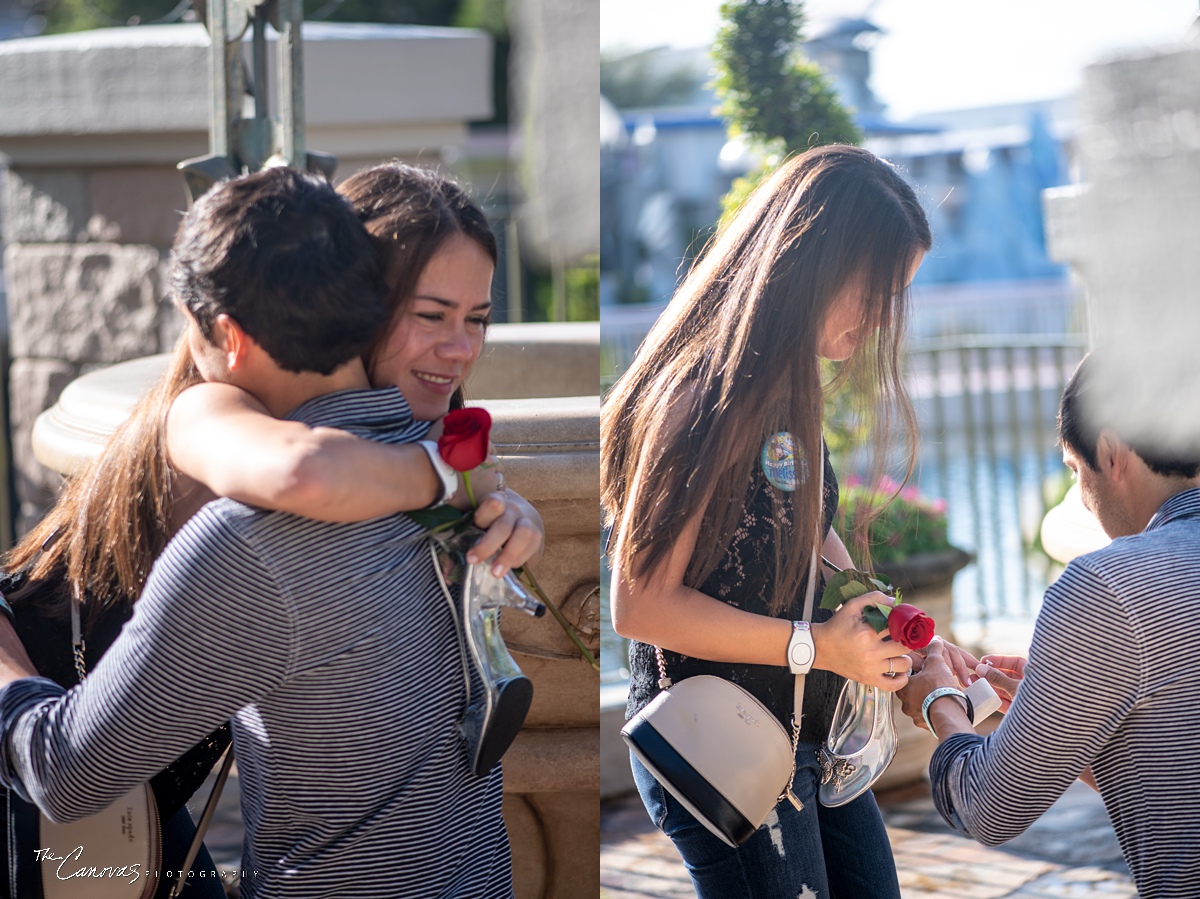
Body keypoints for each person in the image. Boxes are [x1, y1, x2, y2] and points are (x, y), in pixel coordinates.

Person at [0, 167, 515, 897]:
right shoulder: (449, 470)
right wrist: (461, 482)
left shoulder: (252, 542)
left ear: (226, 334)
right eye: (431, 315)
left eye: (475, 318)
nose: (460, 345)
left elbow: (65, 775)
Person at [601, 144, 936, 897]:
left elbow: (806, 531)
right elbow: (640, 603)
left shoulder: (788, 383)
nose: (883, 320)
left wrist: (882, 620)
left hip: (795, 736)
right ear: (813, 260)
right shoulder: (698, 401)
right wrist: (816, 646)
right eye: (876, 291)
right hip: (716, 749)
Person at [897, 351, 1200, 899]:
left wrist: (940, 702)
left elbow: (988, 809)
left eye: (1072, 470)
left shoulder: (1107, 585)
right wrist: (1073, 711)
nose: (1083, 501)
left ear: (1110, 452)